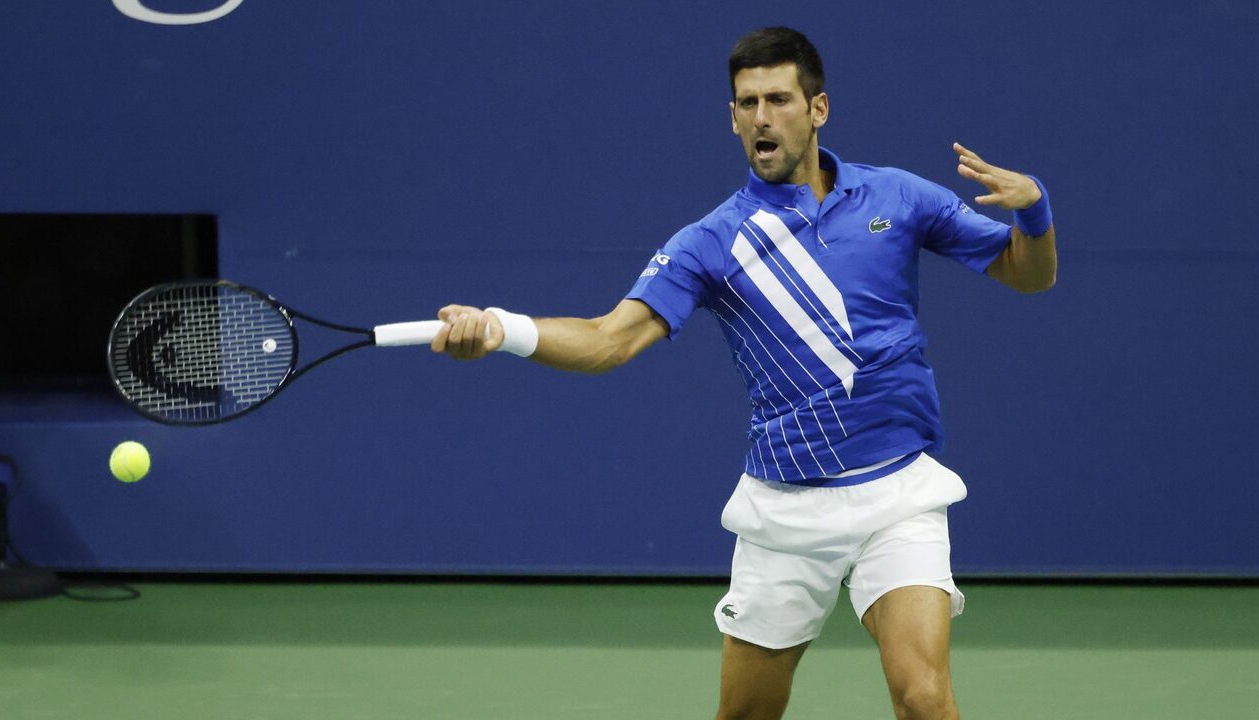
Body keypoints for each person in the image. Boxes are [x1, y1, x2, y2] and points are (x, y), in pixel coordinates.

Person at [431, 26, 1056, 720]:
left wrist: (1035, 211)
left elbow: (1028, 275)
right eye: (747, 103)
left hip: (898, 493)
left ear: (818, 109)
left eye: (779, 100)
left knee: (925, 700)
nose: (762, 117)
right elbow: (610, 340)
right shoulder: (711, 243)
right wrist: (501, 329)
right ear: (732, 118)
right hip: (784, 511)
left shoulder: (897, 199)